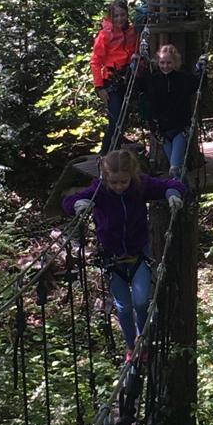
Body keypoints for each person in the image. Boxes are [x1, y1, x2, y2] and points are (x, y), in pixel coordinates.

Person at [62, 149, 186, 360]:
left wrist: (172, 194)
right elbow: (68, 201)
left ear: (132, 176)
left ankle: (142, 340)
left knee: (141, 302)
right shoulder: (99, 190)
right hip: (112, 259)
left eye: (123, 182)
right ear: (105, 177)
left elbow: (172, 184)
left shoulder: (140, 186)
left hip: (138, 254)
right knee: (124, 307)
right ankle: (131, 347)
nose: (119, 187)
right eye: (114, 183)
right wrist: (78, 204)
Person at [143, 44, 204, 178]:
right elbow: (141, 91)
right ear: (158, 62)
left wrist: (200, 68)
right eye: (162, 62)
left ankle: (178, 189)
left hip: (180, 128)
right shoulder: (154, 80)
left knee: (175, 167)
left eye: (169, 62)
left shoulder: (183, 78)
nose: (165, 66)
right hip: (162, 130)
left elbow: (198, 83)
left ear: (175, 62)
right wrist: (134, 67)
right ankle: (182, 191)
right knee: (176, 167)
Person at [90, 0, 138, 153]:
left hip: (127, 77)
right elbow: (95, 61)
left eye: (122, 15)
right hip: (110, 80)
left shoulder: (131, 32)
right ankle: (105, 155)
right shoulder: (105, 35)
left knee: (123, 121)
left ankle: (113, 154)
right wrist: (99, 87)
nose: (119, 19)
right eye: (116, 16)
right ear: (110, 16)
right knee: (115, 120)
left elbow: (133, 51)